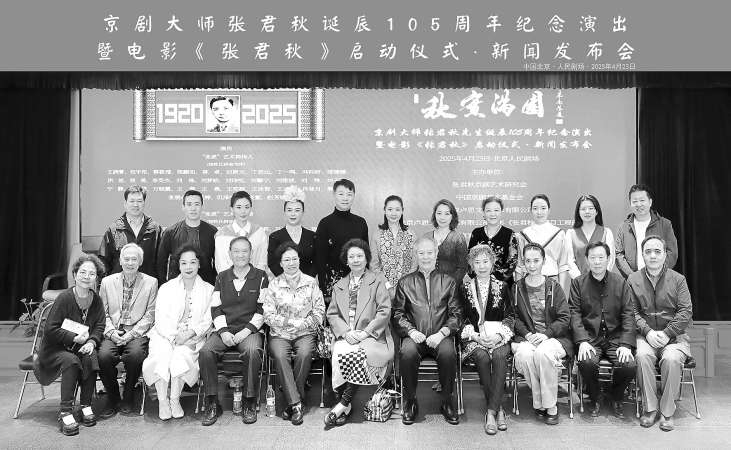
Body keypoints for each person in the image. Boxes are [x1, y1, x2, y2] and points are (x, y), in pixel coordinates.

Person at [393, 236, 463, 425]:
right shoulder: (405, 282)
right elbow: (398, 314)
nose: (425, 257)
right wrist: (411, 331)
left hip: (441, 336)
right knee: (407, 353)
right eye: (421, 253)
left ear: (436, 253)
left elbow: (456, 314)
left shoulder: (449, 281)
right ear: (416, 255)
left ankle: (447, 401)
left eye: (429, 252)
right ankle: (410, 401)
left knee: (448, 353)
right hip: (415, 336)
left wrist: (442, 333)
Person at [325, 239, 394, 427]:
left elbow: (384, 311)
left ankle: (343, 404)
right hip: (347, 335)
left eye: (360, 256)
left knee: (358, 353)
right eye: (352, 257)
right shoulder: (339, 285)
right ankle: (344, 404)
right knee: (339, 352)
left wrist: (365, 333)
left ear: (366, 258)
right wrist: (346, 332)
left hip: (372, 335)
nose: (356, 260)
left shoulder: (378, 280)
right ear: (346, 261)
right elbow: (332, 314)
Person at [200, 236, 268, 426]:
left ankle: (249, 401)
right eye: (236, 251)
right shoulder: (221, 277)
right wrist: (223, 331)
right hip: (225, 330)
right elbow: (216, 308)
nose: (240, 255)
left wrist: (246, 331)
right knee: (206, 352)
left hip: (250, 331)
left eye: (244, 251)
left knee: (252, 351)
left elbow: (263, 309)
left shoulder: (261, 276)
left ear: (251, 253)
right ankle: (212, 402)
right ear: (230, 254)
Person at [35, 254, 106, 436]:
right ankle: (65, 412)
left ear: (96, 278)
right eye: (82, 272)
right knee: (71, 361)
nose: (87, 276)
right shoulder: (64, 298)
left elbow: (99, 326)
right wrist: (74, 338)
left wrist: (92, 342)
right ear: (75, 274)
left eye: (91, 273)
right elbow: (50, 330)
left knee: (90, 356)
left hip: (79, 347)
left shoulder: (96, 300)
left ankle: (85, 405)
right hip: (55, 349)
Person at [142, 245, 215, 420]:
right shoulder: (166, 288)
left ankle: (175, 399)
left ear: (199, 264)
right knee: (161, 356)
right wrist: (174, 337)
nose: (188, 267)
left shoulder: (209, 289)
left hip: (193, 337)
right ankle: (162, 401)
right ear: (178, 265)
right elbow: (160, 318)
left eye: (192, 262)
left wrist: (189, 334)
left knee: (180, 356)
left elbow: (208, 319)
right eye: (184, 263)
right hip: (165, 335)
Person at [629, 236, 693, 432]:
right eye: (648, 252)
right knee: (642, 355)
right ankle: (650, 409)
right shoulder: (633, 280)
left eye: (657, 251)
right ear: (643, 255)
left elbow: (686, 311)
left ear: (665, 254)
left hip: (674, 336)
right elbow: (631, 312)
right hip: (645, 335)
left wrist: (667, 333)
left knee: (671, 359)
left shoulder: (678, 279)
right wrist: (647, 332)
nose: (653, 256)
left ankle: (667, 412)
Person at [570, 242, 636, 419]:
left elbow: (628, 314)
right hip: (590, 338)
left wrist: (626, 344)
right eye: (593, 258)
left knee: (629, 366)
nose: (597, 261)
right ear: (587, 260)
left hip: (616, 338)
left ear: (608, 259)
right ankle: (595, 396)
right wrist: (582, 341)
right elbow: (574, 314)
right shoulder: (578, 283)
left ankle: (615, 396)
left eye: (601, 257)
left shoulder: (620, 282)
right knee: (586, 362)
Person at [263, 242, 325, 425]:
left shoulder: (311, 282)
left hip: (305, 332)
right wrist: (288, 323)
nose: (291, 263)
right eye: (287, 260)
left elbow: (320, 311)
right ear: (281, 263)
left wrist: (304, 324)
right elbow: (268, 315)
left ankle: (291, 403)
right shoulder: (274, 284)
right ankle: (297, 403)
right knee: (280, 355)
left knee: (304, 354)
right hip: (280, 334)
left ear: (299, 260)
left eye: (294, 259)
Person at [511, 243, 572, 426]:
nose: (532, 265)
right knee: (524, 354)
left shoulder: (554, 287)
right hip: (528, 338)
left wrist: (546, 334)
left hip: (553, 338)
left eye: (536, 260)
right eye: (528, 261)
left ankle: (550, 406)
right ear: (523, 262)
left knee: (543, 353)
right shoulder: (516, 288)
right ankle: (540, 401)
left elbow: (564, 318)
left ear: (544, 261)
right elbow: (513, 317)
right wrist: (527, 334)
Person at [98, 243, 158, 418]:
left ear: (140, 262)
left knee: (135, 356)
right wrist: (111, 332)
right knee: (103, 356)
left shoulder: (151, 282)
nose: (130, 263)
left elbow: (150, 314)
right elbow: (102, 312)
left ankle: (129, 395)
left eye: (134, 259)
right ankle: (113, 397)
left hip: (137, 332)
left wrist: (132, 334)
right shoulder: (107, 282)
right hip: (113, 330)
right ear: (120, 260)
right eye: (126, 259)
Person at [459, 245, 514, 434]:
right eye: (477, 262)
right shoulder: (465, 288)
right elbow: (460, 318)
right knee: (482, 357)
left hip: (498, 337)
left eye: (485, 261)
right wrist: (475, 336)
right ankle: (498, 409)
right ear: (471, 265)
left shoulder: (503, 286)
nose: (482, 266)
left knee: (499, 356)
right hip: (475, 338)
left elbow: (510, 316)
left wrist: (499, 336)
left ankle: (491, 412)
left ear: (492, 263)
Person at [314, 178, 369, 298]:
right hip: (333, 285)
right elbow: (320, 259)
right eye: (341, 194)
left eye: (349, 194)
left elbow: (366, 256)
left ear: (353, 196)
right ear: (334, 195)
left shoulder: (361, 222)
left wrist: (368, 285)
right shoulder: (325, 223)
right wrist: (325, 290)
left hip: (359, 283)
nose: (345, 198)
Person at [99, 185, 163, 279]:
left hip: (148, 284)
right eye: (132, 201)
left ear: (144, 203)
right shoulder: (114, 230)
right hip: (120, 285)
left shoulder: (155, 229)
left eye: (139, 201)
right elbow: (103, 261)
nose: (135, 205)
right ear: (125, 203)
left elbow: (162, 261)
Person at [615, 184, 678, 279]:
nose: (638, 204)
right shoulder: (623, 227)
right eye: (634, 201)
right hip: (633, 280)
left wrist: (657, 274)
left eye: (642, 200)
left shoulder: (665, 224)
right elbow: (619, 255)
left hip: (660, 279)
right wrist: (632, 276)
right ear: (630, 204)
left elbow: (672, 252)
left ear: (650, 202)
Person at [157, 189, 218, 285]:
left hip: (205, 285)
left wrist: (215, 284)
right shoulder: (170, 232)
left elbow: (217, 261)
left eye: (197, 204)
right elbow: (161, 262)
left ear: (202, 207)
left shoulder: (212, 232)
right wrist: (163, 285)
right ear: (183, 207)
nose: (193, 208)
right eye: (189, 204)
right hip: (177, 286)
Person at [515, 194, 569, 294]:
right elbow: (519, 265)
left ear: (549, 210)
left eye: (543, 208)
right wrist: (518, 289)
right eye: (535, 208)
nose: (539, 212)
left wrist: (561, 290)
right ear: (531, 210)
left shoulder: (559, 233)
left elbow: (563, 265)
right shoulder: (523, 234)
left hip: (552, 281)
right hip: (529, 283)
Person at [370, 195, 416, 294]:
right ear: (384, 210)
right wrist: (388, 286)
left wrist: (403, 285)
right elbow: (374, 265)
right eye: (390, 209)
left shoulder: (411, 234)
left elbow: (414, 264)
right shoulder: (377, 235)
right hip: (383, 289)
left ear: (402, 211)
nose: (393, 213)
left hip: (407, 289)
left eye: (397, 209)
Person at [468, 196, 519, 285]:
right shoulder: (476, 233)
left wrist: (493, 279)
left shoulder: (510, 234)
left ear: (501, 212)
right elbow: (469, 260)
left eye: (496, 210)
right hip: (480, 283)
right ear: (483, 213)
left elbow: (512, 263)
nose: (492, 214)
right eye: (488, 210)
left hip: (503, 284)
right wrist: (482, 278)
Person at [214, 190, 268, 273]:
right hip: (229, 279)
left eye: (247, 207)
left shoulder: (259, 233)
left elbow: (262, 261)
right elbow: (221, 264)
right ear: (232, 209)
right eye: (238, 207)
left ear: (251, 208)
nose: (243, 211)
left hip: (255, 279)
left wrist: (255, 278)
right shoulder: (221, 235)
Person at [268, 185, 316, 277]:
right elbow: (272, 263)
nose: (293, 214)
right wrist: (287, 280)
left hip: (308, 282)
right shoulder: (275, 237)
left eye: (297, 210)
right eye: (289, 210)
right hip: (284, 282)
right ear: (284, 212)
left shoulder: (312, 236)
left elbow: (317, 262)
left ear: (303, 212)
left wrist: (306, 280)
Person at [565, 194, 616, 279]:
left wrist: (600, 277)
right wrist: (581, 280)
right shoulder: (570, 234)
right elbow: (569, 261)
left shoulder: (606, 232)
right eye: (583, 209)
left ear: (597, 211)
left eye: (591, 208)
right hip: (578, 282)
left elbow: (610, 259)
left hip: (602, 281)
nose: (587, 211)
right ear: (578, 212)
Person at [424, 199, 468, 283]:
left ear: (452, 216)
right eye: (439, 213)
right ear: (435, 215)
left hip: (452, 286)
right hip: (429, 286)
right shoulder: (426, 237)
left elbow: (462, 267)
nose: (442, 217)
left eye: (447, 214)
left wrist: (449, 285)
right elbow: (421, 264)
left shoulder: (458, 238)